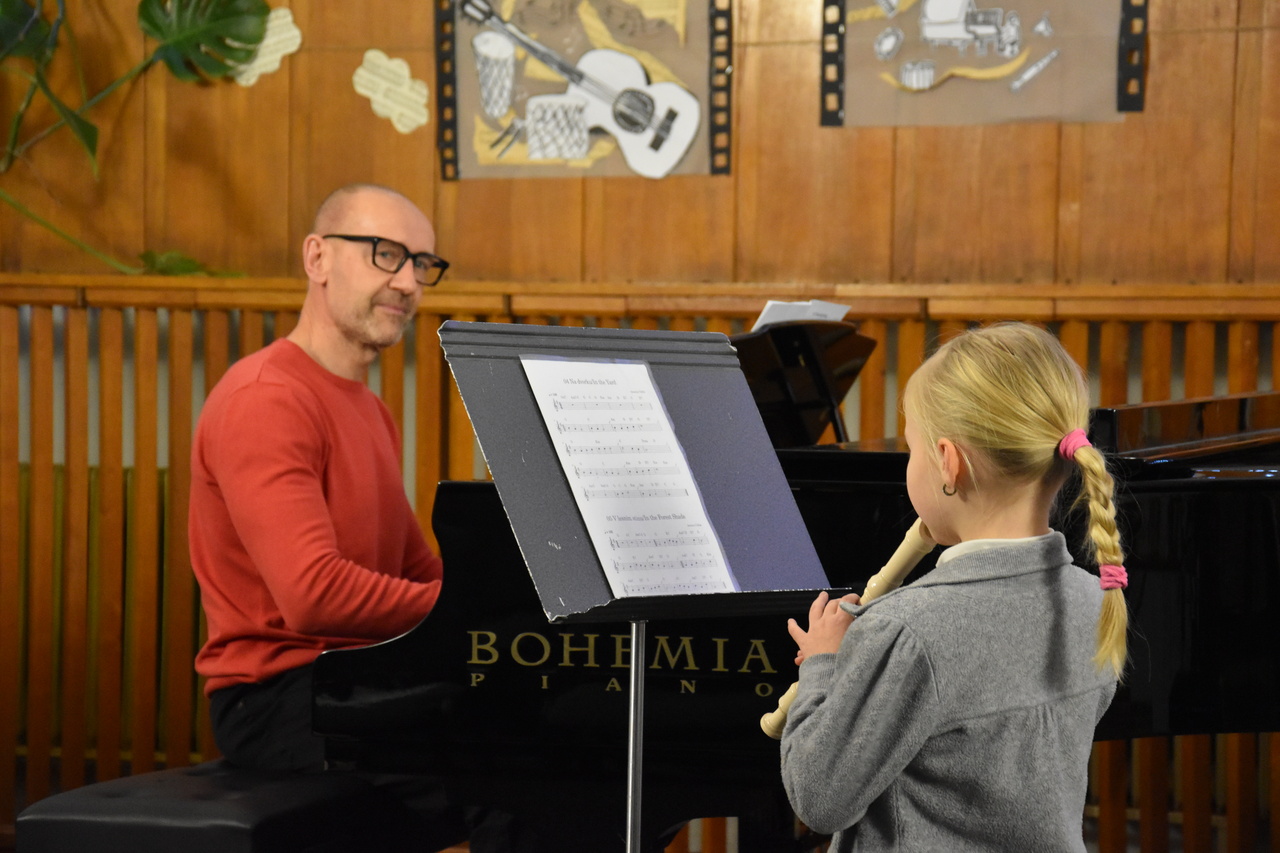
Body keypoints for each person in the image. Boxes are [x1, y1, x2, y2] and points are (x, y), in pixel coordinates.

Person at [189, 184, 526, 851]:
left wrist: (514, 613)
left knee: (573, 748)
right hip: (280, 695)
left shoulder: (369, 410)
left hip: (360, 675)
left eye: (421, 263)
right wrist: (473, 618)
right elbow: (313, 595)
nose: (408, 281)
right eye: (385, 254)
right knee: (523, 777)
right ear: (317, 257)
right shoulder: (266, 397)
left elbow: (416, 568)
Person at [780, 322, 1129, 852]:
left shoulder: (906, 632)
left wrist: (825, 666)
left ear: (949, 462)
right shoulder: (1092, 600)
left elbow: (820, 799)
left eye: (912, 449)